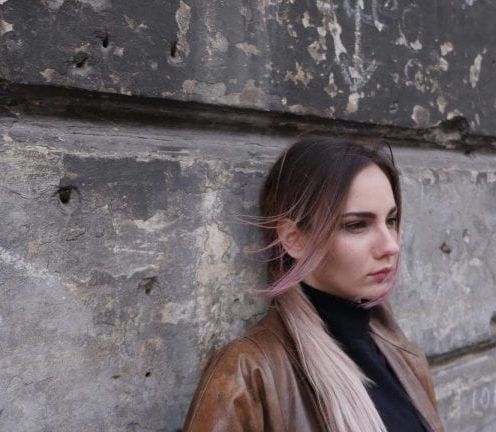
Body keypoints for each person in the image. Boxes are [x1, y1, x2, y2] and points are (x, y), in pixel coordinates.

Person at [183, 137, 444, 432]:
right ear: (294, 239)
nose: (391, 246)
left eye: (391, 220)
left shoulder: (404, 356)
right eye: (357, 224)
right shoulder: (249, 373)